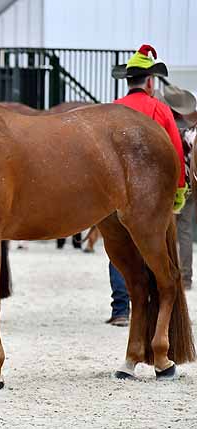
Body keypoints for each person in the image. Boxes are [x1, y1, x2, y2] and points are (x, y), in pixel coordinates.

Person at [106, 44, 187, 327]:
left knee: (118, 247)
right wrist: (178, 191)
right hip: (150, 195)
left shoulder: (112, 109)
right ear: (150, 82)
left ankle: (120, 308)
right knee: (154, 250)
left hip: (112, 193)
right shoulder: (161, 110)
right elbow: (175, 152)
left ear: (129, 81)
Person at [155, 85, 197, 290]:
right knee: (185, 232)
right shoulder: (193, 131)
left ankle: (166, 273)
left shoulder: (165, 128)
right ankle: (187, 278)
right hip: (190, 186)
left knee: (164, 231)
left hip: (168, 186)